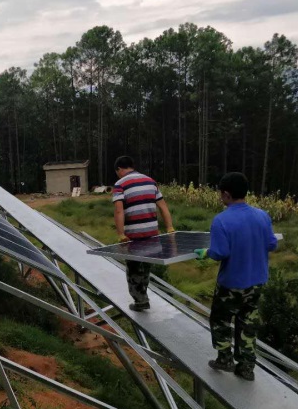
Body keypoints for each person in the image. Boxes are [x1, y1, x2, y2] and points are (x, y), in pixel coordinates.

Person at [194, 172, 278, 382]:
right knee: (248, 324)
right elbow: (272, 244)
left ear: (226, 194)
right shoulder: (262, 215)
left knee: (221, 320)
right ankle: (247, 367)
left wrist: (205, 253)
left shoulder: (221, 220)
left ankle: (225, 359)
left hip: (231, 284)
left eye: (221, 194)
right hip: (257, 282)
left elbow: (220, 253)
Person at [112, 156, 175, 311]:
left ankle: (140, 301)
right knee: (146, 267)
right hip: (152, 233)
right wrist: (169, 228)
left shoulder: (120, 184)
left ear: (119, 169)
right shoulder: (150, 181)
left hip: (134, 235)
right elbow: (163, 207)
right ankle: (143, 295)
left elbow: (119, 210)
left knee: (133, 268)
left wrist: (121, 234)